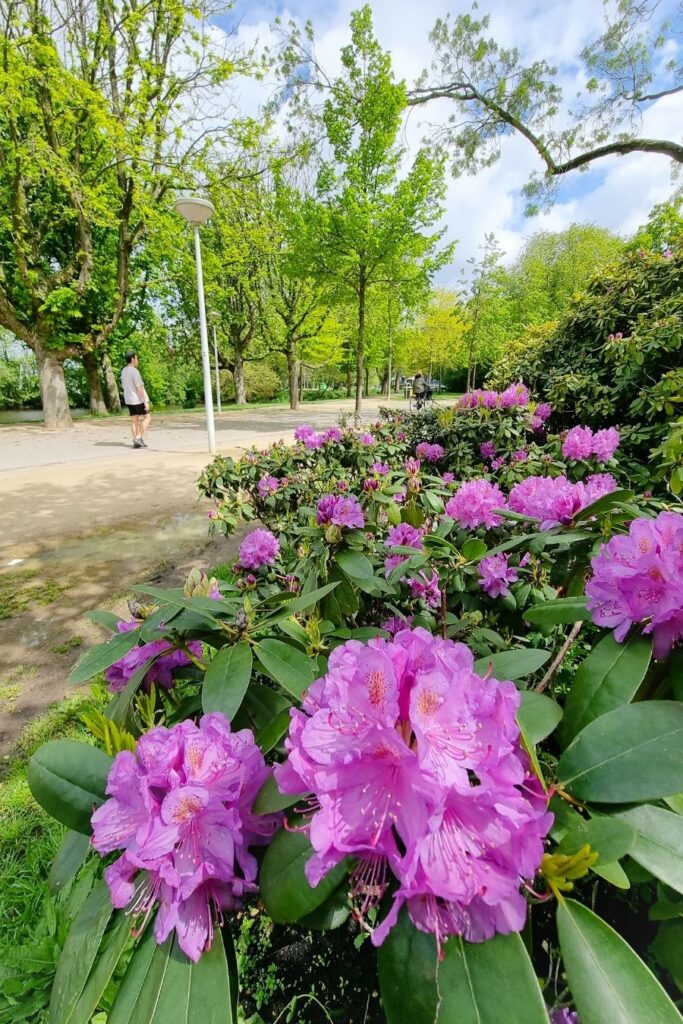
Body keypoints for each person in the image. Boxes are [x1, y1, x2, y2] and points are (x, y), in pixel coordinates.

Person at [121, 351, 151, 449]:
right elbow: (139, 387)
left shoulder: (124, 371)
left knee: (134, 420)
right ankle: (138, 437)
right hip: (137, 399)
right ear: (133, 359)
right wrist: (145, 401)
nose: (137, 360)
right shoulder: (134, 371)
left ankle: (136, 441)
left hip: (128, 399)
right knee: (148, 417)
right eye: (136, 358)